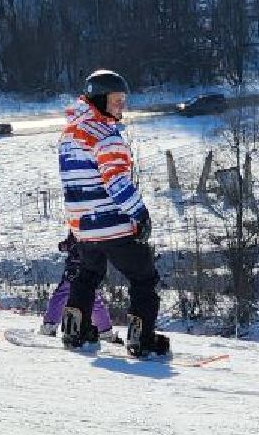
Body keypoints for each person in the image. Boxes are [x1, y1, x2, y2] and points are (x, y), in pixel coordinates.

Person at [58, 69, 167, 357]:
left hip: (83, 226)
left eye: (124, 100)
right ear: (99, 99)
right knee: (143, 276)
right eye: (117, 100)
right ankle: (141, 339)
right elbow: (116, 181)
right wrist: (140, 213)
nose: (122, 106)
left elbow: (73, 181)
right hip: (112, 222)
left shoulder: (70, 133)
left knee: (87, 274)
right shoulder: (107, 136)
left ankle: (75, 330)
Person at [41, 231, 116, 341]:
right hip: (89, 265)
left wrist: (67, 246)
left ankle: (50, 324)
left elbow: (74, 243)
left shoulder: (78, 223)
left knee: (61, 294)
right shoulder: (94, 224)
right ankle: (105, 330)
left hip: (75, 266)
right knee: (92, 296)